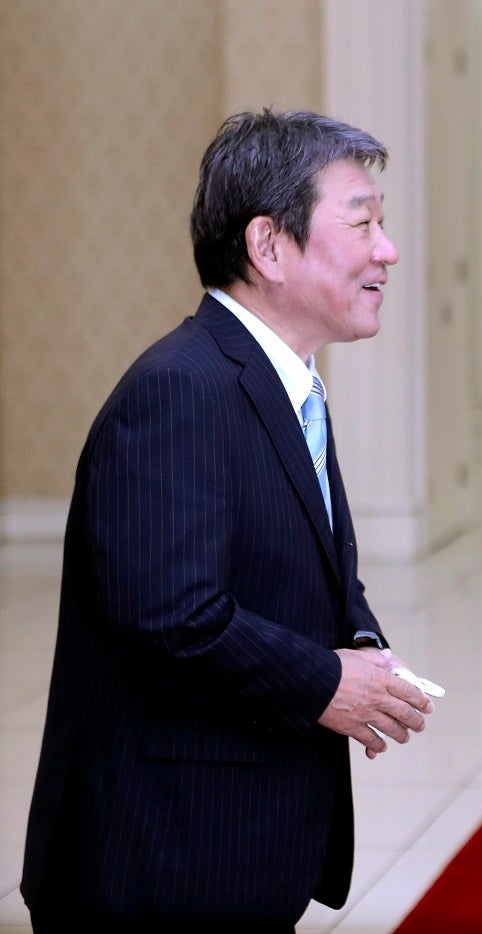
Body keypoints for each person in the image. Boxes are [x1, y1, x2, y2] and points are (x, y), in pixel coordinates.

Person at [22, 109, 436, 931]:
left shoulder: (288, 383)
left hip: (241, 833)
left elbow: (310, 561)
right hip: (163, 848)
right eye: (363, 222)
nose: (386, 250)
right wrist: (326, 684)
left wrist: (359, 645)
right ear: (268, 246)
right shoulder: (181, 388)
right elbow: (171, 609)